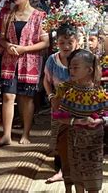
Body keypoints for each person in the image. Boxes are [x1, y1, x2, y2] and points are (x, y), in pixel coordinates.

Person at [0, 0, 50, 145]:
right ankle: (6, 134)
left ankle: (25, 133)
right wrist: (8, 46)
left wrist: (24, 49)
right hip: (10, 60)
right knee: (7, 95)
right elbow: (2, 39)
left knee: (26, 98)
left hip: (30, 61)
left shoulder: (39, 16)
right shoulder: (8, 15)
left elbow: (45, 42)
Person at [53, 49, 108, 192]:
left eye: (75, 67)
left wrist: (100, 121)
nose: (71, 70)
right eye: (70, 67)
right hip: (74, 144)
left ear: (89, 70)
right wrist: (76, 122)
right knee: (77, 178)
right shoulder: (70, 94)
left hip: (94, 145)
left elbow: (106, 114)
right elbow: (59, 116)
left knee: (93, 180)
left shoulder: (100, 94)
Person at [43, 23, 79, 184]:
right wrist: (51, 96)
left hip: (79, 105)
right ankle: (61, 170)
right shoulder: (52, 59)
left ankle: (76, 169)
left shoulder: (82, 58)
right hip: (59, 104)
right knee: (59, 137)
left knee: (77, 137)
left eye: (70, 42)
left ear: (77, 42)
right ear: (56, 42)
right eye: (62, 42)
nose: (66, 46)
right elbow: (46, 80)